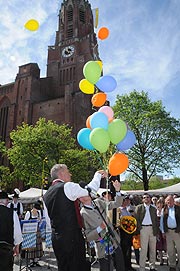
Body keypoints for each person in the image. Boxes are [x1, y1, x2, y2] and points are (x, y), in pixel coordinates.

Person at [43, 163, 107, 271]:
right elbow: (89, 191)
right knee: (77, 266)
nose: (70, 174)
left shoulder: (45, 195)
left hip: (57, 238)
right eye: (68, 172)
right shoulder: (67, 186)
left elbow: (49, 221)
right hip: (71, 237)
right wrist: (97, 175)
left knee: (64, 267)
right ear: (61, 173)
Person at [79, 179, 125, 271]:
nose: (86, 194)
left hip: (114, 241)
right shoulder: (82, 213)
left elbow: (116, 204)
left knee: (120, 266)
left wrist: (118, 191)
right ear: (79, 198)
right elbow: (87, 236)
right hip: (102, 247)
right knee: (106, 268)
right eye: (82, 193)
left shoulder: (98, 202)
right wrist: (100, 228)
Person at [133, 193, 159, 271]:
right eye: (144, 197)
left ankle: (152, 266)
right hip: (143, 229)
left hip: (152, 229)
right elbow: (136, 219)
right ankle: (142, 267)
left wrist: (156, 231)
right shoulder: (139, 207)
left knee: (153, 249)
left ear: (150, 199)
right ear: (142, 199)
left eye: (148, 197)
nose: (146, 198)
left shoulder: (154, 208)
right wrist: (139, 228)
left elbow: (156, 221)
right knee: (144, 249)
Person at [0, 191, 23, 271]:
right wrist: (17, 247)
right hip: (6, 248)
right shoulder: (12, 213)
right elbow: (17, 233)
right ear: (6, 201)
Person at [160, 194, 180, 271]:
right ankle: (172, 266)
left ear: (173, 201)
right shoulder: (164, 209)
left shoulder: (178, 208)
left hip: (177, 232)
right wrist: (163, 232)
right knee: (170, 250)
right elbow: (162, 221)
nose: (169, 202)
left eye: (171, 200)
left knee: (179, 249)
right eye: (168, 200)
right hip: (168, 232)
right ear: (166, 201)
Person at [119, 195, 136, 271]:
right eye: (126, 200)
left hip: (129, 233)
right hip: (122, 233)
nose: (128, 201)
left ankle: (128, 266)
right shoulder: (118, 210)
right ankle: (124, 267)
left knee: (128, 250)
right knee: (124, 251)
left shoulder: (128, 210)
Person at [24, 202, 43, 267]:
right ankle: (31, 261)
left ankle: (36, 260)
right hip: (31, 231)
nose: (37, 210)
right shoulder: (28, 213)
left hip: (37, 231)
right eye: (36, 208)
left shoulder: (38, 213)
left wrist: (39, 220)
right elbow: (25, 222)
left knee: (37, 246)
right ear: (33, 208)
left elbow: (40, 222)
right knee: (31, 247)